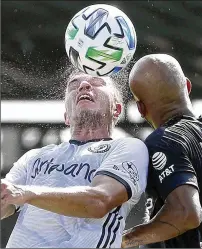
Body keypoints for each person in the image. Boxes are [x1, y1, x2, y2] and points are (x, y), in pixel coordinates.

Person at [1, 70, 149, 248]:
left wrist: (26, 194)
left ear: (116, 109)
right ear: (66, 117)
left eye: (96, 82)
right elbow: (6, 201)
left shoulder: (128, 148)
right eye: (74, 85)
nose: (83, 86)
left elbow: (99, 202)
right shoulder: (34, 157)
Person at [122, 54, 202, 248]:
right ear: (187, 86)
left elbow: (186, 213)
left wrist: (124, 240)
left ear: (141, 108)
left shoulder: (165, 140)